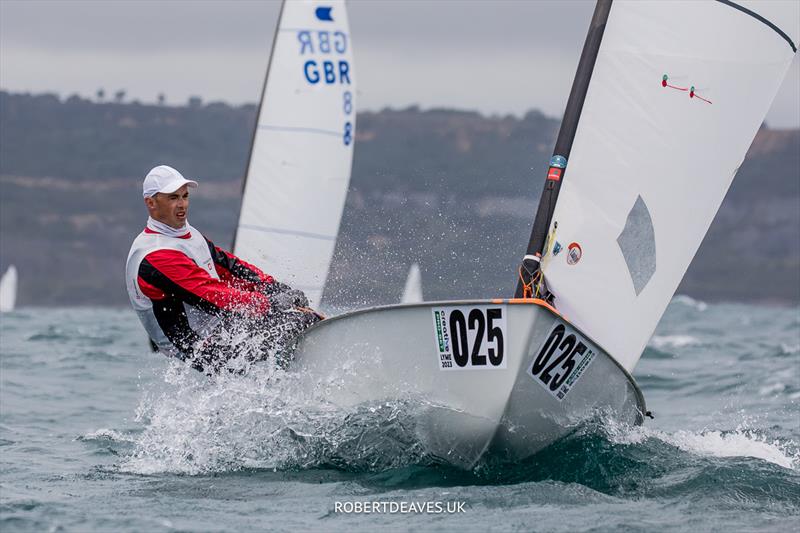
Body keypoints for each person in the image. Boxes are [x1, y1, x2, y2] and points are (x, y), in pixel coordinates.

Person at [125, 165, 320, 373]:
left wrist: (274, 288)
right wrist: (271, 304)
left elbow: (229, 267)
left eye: (185, 196)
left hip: (218, 326)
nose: (182, 204)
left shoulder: (186, 234)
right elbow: (212, 296)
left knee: (295, 315)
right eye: (173, 198)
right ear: (151, 203)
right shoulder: (156, 255)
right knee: (301, 320)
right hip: (196, 347)